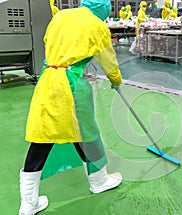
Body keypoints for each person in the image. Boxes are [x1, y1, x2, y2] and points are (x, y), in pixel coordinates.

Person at [18, 0, 123, 214]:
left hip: (47, 80)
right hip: (72, 84)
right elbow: (108, 60)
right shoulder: (97, 25)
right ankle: (99, 180)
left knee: (42, 136)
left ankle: (28, 202)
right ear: (102, 9)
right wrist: (116, 80)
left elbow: (48, 40)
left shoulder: (60, 16)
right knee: (86, 133)